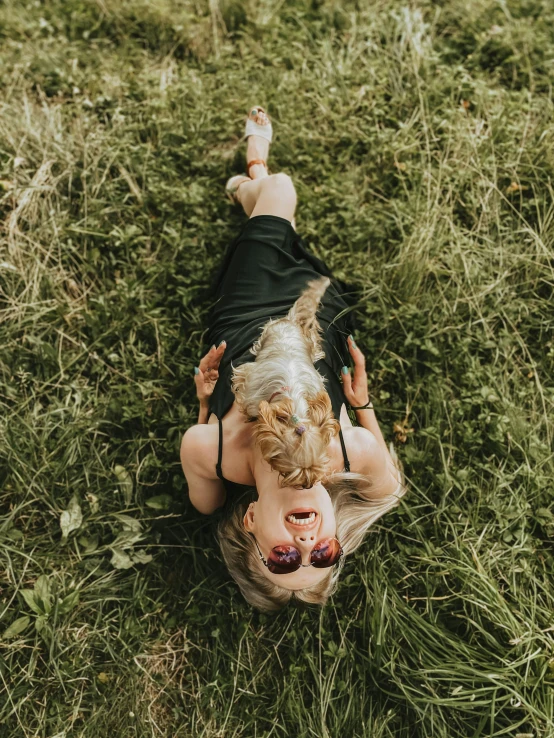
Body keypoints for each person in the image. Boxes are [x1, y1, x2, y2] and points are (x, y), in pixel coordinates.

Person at [181, 106, 405, 611]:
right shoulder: (351, 456)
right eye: (324, 554)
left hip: (245, 322)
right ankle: (257, 195)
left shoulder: (212, 453)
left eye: (281, 560)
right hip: (319, 332)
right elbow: (389, 486)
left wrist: (204, 405)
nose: (305, 546)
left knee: (280, 191)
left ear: (251, 522)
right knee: (294, 249)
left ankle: (252, 176)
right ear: (334, 535)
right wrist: (362, 404)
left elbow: (202, 498)